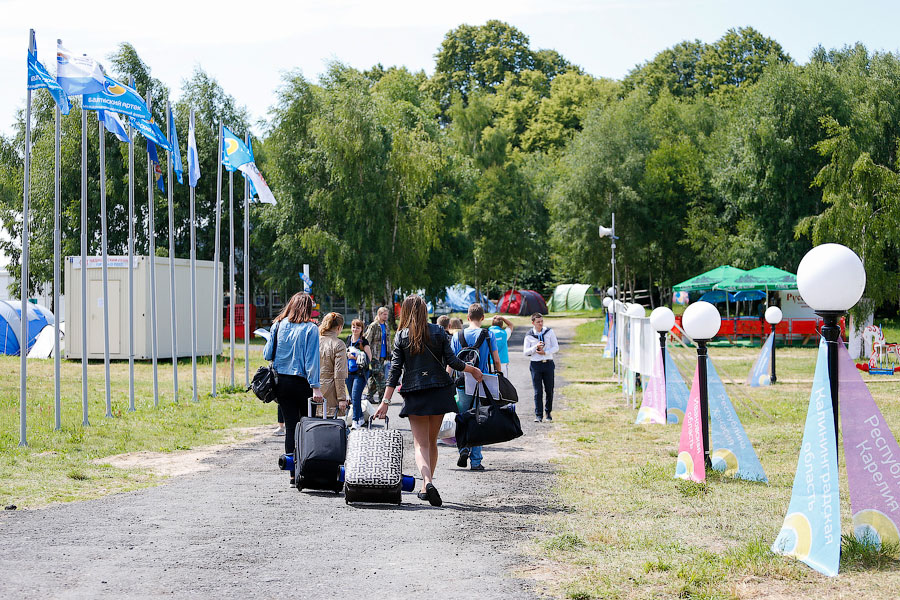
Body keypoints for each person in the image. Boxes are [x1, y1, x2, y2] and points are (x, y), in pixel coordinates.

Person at [374, 295, 483, 506]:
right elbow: (452, 361)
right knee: (432, 442)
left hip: (416, 393)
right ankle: (427, 487)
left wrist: (385, 402)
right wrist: (472, 369)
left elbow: (394, 372)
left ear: (405, 312)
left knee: (420, 444)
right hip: (439, 392)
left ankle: (427, 482)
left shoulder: (401, 336)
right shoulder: (439, 332)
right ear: (425, 311)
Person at [262, 292, 322, 486]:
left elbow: (267, 353)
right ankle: (306, 470)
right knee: (305, 426)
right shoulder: (311, 329)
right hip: (303, 384)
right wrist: (316, 387)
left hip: (282, 384)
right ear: (308, 309)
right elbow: (312, 360)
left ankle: (291, 472)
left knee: (290, 426)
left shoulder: (277, 326)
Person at [450, 303, 502, 471]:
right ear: (482, 318)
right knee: (480, 419)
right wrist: (500, 375)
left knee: (463, 417)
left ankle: (463, 448)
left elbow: (451, 363)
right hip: (482, 382)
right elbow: (496, 359)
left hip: (462, 382)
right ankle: (476, 461)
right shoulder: (488, 335)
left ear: (467, 317)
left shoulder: (458, 336)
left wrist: (447, 380)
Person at [523, 313, 559, 422]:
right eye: (538, 322)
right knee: (538, 391)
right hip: (536, 364)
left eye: (542, 321)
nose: (540, 324)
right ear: (533, 323)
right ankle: (538, 415)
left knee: (549, 389)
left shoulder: (549, 332)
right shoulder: (529, 335)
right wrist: (535, 347)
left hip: (548, 362)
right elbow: (525, 352)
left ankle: (548, 413)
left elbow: (556, 347)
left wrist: (546, 352)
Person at [318, 312, 349, 417]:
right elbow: (339, 374)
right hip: (331, 393)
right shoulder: (339, 344)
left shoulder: (314, 341)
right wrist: (342, 398)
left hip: (313, 390)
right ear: (339, 327)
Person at [346, 318, 372, 428]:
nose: (355, 329)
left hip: (360, 373)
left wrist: (355, 357)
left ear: (361, 329)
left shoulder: (363, 341)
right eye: (353, 327)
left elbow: (369, 359)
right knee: (353, 398)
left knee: (356, 397)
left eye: (358, 327)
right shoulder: (348, 339)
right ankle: (360, 418)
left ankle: (355, 421)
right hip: (348, 372)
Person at [364, 306, 393, 403]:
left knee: (375, 376)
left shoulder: (386, 325)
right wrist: (367, 354)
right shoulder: (373, 326)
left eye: (387, 314)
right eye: (384, 314)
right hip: (374, 355)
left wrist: (389, 352)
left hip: (383, 354)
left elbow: (388, 340)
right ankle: (382, 398)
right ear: (379, 314)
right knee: (381, 377)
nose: (386, 316)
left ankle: (369, 396)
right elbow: (366, 340)